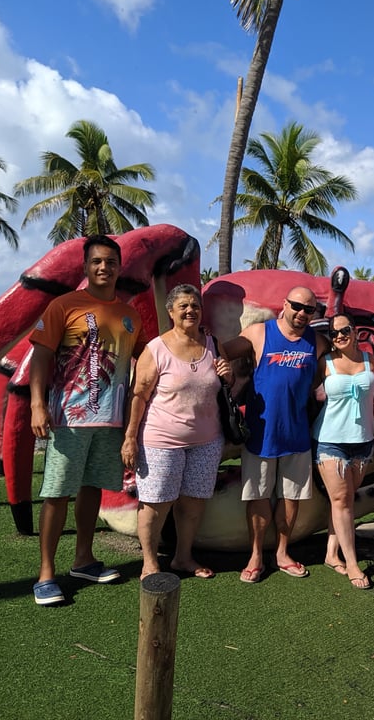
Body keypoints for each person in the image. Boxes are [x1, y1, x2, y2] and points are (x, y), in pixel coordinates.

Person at [29, 235, 148, 606]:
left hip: (111, 421)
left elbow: (146, 359)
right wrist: (37, 404)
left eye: (110, 262)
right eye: (96, 261)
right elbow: (40, 357)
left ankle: (83, 560)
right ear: (85, 267)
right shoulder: (64, 306)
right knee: (57, 493)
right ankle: (46, 574)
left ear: (119, 267)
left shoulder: (130, 315)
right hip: (69, 419)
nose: (103, 267)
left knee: (93, 487)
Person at [121, 284, 233, 580]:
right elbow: (138, 395)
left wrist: (229, 375)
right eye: (183, 306)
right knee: (156, 504)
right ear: (170, 312)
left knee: (193, 504)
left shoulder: (213, 343)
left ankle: (183, 557)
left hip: (207, 441)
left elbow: (223, 385)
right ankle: (149, 563)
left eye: (195, 305)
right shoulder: (156, 348)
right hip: (161, 441)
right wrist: (130, 438)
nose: (190, 310)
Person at [224, 286, 328, 583]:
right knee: (257, 497)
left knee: (291, 498)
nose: (302, 313)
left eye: (309, 309)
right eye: (297, 306)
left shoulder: (318, 342)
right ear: (285, 304)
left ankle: (283, 553)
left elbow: (337, 369)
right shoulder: (260, 332)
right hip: (261, 433)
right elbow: (220, 351)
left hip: (297, 434)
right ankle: (256, 555)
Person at [311, 314, 374, 590]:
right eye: (334, 333)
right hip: (330, 439)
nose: (340, 336)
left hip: (363, 441)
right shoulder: (325, 363)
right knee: (342, 500)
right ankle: (352, 563)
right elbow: (305, 392)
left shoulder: (369, 360)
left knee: (344, 501)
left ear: (355, 332)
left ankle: (331, 553)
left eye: (344, 330)